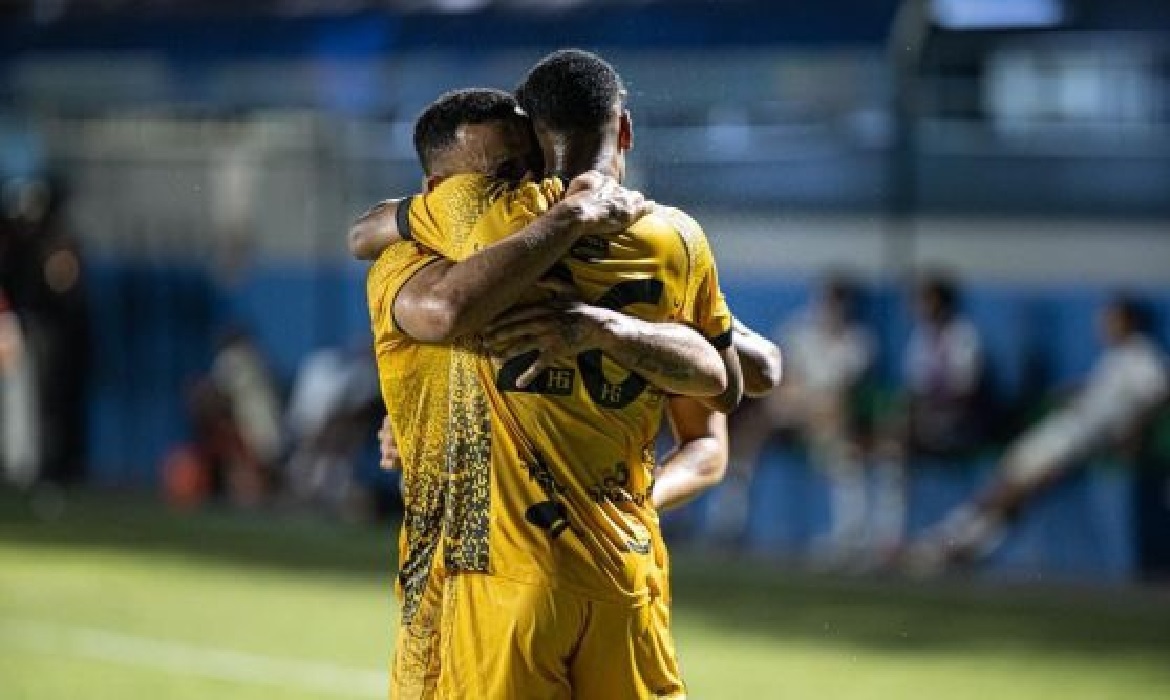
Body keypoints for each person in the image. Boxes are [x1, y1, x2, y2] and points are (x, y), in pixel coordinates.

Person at [362, 49, 774, 698]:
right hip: (622, 570)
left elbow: (400, 266)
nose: (517, 182)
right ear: (627, 130)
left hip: (496, 570)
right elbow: (728, 387)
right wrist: (413, 415)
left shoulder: (481, 227)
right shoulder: (677, 238)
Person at [908, 295, 1168, 573]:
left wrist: (1132, 433)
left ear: (1128, 321)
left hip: (1080, 437)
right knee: (1009, 482)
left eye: (1110, 319)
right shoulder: (1114, 357)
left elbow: (1157, 394)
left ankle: (948, 543)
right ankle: (965, 544)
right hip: (1065, 426)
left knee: (1019, 487)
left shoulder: (1144, 355)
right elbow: (1109, 398)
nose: (1103, 326)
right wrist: (1078, 393)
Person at [712, 276, 873, 560]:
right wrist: (792, 403)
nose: (831, 308)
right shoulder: (799, 330)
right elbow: (785, 379)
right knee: (750, 433)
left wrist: (815, 408)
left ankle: (847, 535)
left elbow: (842, 395)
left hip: (827, 416)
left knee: (842, 451)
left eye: (838, 302)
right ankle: (729, 522)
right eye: (828, 300)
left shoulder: (858, 342)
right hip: (791, 408)